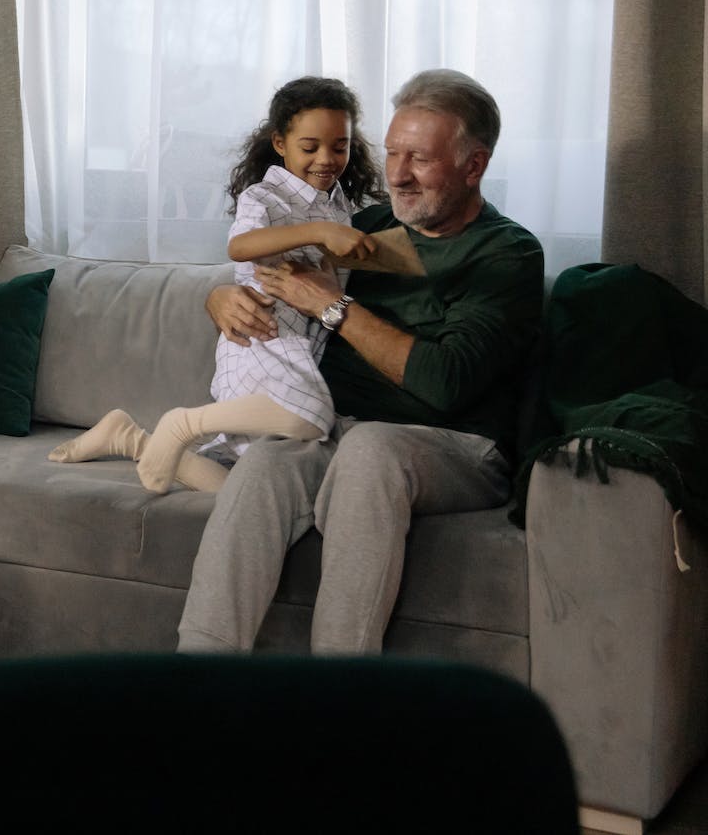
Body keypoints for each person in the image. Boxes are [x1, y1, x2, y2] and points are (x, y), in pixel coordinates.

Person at [177, 69, 543, 654]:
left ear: (473, 165)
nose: (396, 174)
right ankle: (197, 683)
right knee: (266, 465)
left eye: (419, 158)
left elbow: (445, 383)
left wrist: (333, 305)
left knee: (371, 450)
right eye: (392, 152)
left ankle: (340, 701)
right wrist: (219, 299)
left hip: (454, 443)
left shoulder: (507, 252)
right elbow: (263, 266)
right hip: (337, 429)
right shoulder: (362, 226)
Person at [47, 77, 386, 492]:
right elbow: (241, 246)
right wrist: (317, 232)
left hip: (302, 345)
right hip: (260, 335)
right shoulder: (265, 197)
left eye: (340, 146)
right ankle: (183, 422)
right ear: (280, 143)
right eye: (310, 147)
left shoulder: (340, 208)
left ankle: (131, 439)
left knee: (246, 486)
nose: (327, 159)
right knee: (313, 418)